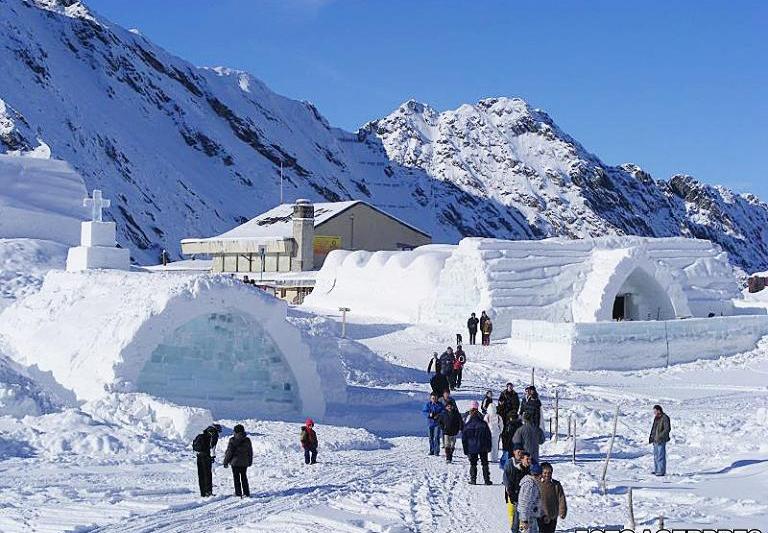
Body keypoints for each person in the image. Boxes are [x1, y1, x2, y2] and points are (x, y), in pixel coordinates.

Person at [461, 401, 493, 485]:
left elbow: (464, 438)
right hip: (483, 446)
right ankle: (486, 480)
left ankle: (473, 479)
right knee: (484, 463)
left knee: (473, 463)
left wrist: (465, 449)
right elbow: (488, 436)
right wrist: (489, 447)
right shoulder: (483, 424)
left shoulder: (467, 425)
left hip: (472, 447)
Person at [503, 448, 530, 533]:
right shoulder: (510, 463)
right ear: (514, 452)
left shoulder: (528, 467)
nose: (519, 453)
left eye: (521, 452)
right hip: (511, 492)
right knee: (512, 512)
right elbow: (506, 477)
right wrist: (509, 490)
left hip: (523, 496)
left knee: (520, 515)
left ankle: (519, 530)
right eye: (518, 452)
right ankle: (515, 529)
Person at [223, 424, 253, 498]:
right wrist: (250, 461)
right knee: (244, 477)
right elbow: (250, 452)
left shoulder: (233, 440)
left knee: (236, 478)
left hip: (235, 462)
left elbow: (229, 452)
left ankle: (238, 493)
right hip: (244, 462)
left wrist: (226, 462)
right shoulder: (247, 440)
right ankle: (246, 493)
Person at [192, 423, 222, 497]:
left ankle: (203, 493)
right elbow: (212, 446)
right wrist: (212, 456)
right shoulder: (214, 434)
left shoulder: (203, 434)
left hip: (199, 455)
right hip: (206, 455)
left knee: (201, 474)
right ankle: (208, 492)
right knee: (207, 474)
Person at [537, 462, 567, 533]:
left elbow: (561, 498)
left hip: (552, 514)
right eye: (545, 473)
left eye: (549, 473)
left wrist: (562, 511)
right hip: (540, 515)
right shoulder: (537, 483)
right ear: (541, 473)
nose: (547, 475)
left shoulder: (556, 484)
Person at [518, 462, 543, 532]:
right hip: (527, 517)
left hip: (531, 515)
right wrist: (524, 520)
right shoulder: (530, 485)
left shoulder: (533, 483)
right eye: (539, 475)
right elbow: (524, 503)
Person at [649, 404, 671, 476]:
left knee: (661, 456)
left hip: (661, 440)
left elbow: (667, 429)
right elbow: (654, 428)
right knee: (656, 456)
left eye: (655, 411)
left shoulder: (665, 418)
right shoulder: (656, 418)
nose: (654, 412)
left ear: (659, 410)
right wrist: (651, 437)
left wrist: (660, 436)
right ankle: (657, 470)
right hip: (655, 440)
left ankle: (661, 471)